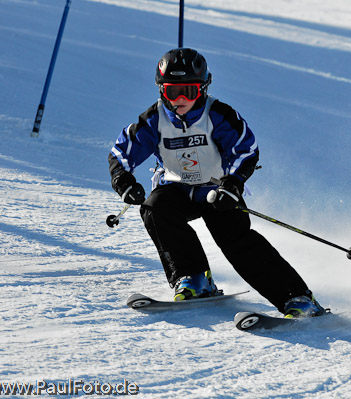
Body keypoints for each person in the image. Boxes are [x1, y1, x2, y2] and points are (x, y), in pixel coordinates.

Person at [108, 48, 325, 318]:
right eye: (173, 91)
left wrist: (233, 184)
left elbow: (245, 151)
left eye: (189, 90)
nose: (181, 99)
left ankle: (298, 298)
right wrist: (124, 180)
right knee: (155, 209)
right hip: (176, 189)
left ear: (204, 88)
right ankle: (195, 280)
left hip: (217, 192)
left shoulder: (218, 115)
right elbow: (121, 154)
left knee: (236, 240)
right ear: (161, 90)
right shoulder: (154, 120)